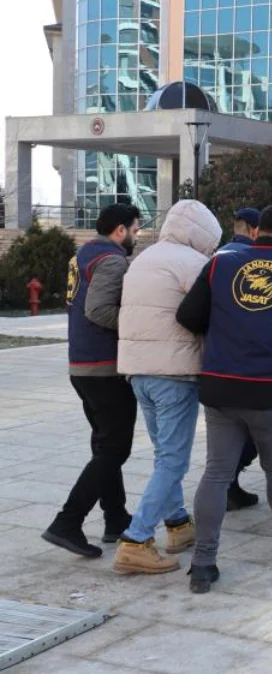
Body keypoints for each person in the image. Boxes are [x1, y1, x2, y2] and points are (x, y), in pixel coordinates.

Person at [176, 205, 272, 593]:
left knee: (216, 472)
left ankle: (203, 563)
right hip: (271, 386)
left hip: (220, 382)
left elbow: (188, 315)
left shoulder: (220, 265)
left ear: (256, 230)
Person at [108, 200, 221, 574]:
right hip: (174, 374)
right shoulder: (194, 264)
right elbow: (207, 314)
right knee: (173, 459)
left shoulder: (144, 258)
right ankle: (136, 539)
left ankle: (177, 525)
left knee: (163, 456)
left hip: (138, 372)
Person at [42, 203, 141, 558]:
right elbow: (98, 310)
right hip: (104, 367)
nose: (136, 235)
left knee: (105, 447)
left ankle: (116, 519)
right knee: (115, 449)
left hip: (81, 365)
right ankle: (68, 522)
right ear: (119, 230)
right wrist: (137, 324)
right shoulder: (112, 260)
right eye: (135, 228)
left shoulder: (83, 253)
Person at [212, 207, 270, 510]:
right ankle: (229, 483)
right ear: (255, 229)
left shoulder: (216, 257)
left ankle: (228, 485)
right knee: (261, 432)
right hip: (254, 361)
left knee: (229, 432)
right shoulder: (256, 261)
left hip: (219, 359)